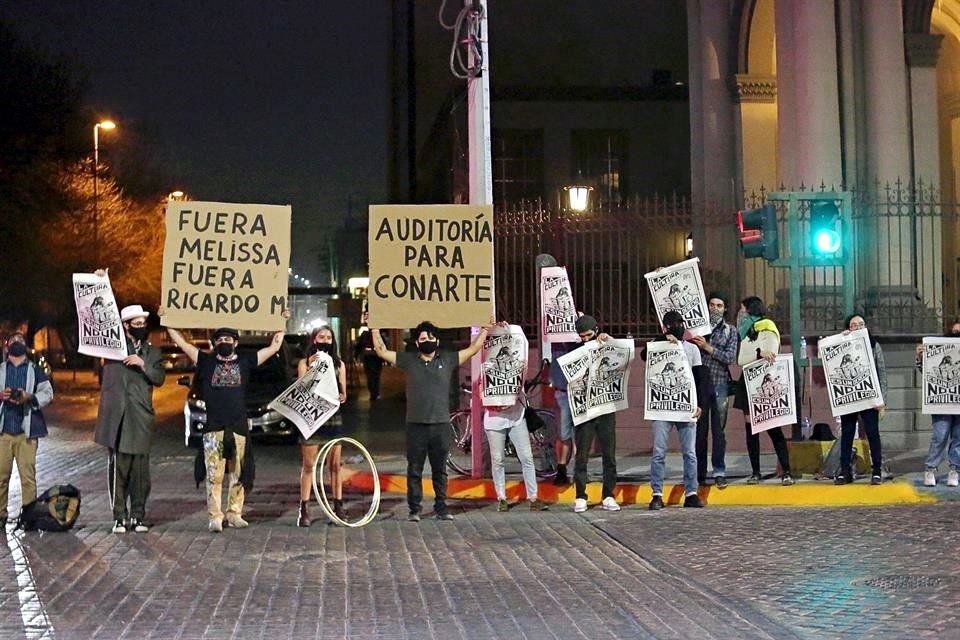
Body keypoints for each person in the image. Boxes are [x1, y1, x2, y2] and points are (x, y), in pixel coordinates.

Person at [167, 317, 287, 533]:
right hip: (214, 428)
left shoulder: (246, 361)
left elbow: (274, 346)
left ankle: (234, 513)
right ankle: (215, 516)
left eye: (228, 338)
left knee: (239, 473)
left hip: (239, 426)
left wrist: (281, 321)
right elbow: (183, 344)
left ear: (236, 343)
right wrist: (168, 321)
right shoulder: (206, 362)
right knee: (215, 475)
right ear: (214, 343)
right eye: (220, 338)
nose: (225, 341)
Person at [372, 320, 490, 521]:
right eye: (423, 338)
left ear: (437, 340)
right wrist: (374, 328)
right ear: (417, 343)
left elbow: (474, 348)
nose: (427, 341)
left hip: (440, 425)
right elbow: (382, 351)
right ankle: (415, 509)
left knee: (440, 470)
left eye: (431, 338)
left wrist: (486, 327)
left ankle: (441, 508)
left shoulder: (448, 359)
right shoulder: (409, 361)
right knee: (415, 469)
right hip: (415, 425)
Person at [94, 304, 165, 534]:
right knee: (119, 469)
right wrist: (101, 285)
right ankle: (119, 517)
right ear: (125, 327)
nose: (141, 327)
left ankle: (138, 515)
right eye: (136, 324)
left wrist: (142, 364)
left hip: (141, 416)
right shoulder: (112, 348)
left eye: (143, 324)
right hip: (118, 418)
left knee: (140, 472)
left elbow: (159, 378)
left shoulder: (153, 352)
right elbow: (97, 322)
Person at [642, 311, 707, 509]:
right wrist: (662, 340)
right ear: (665, 327)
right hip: (662, 408)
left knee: (689, 452)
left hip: (685, 406)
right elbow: (644, 355)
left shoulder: (692, 349)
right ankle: (657, 493)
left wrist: (700, 404)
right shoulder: (657, 344)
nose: (677, 328)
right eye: (673, 325)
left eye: (680, 324)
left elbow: (699, 378)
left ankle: (691, 493)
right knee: (659, 451)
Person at [484, 323, 549, 512]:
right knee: (498, 459)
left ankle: (533, 496)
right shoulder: (487, 367)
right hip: (495, 419)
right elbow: (482, 392)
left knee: (527, 457)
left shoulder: (518, 364)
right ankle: (502, 498)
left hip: (516, 415)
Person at [734, 296, 794, 485]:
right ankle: (756, 472)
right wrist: (758, 353)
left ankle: (786, 471)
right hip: (747, 381)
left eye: (742, 309)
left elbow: (771, 354)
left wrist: (758, 354)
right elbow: (741, 359)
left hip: (765, 381)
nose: (739, 313)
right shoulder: (742, 332)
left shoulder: (767, 327)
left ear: (750, 309)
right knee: (751, 429)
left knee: (774, 427)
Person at [0, 332, 54, 526]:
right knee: (1, 476)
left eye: (21, 341)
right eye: (13, 341)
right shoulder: (1, 369)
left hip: (27, 432)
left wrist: (29, 397)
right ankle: (1, 515)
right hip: (4, 430)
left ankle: (29, 516)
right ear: (7, 347)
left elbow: (48, 393)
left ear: (26, 346)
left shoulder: (35, 370)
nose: (17, 343)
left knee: (27, 477)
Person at [569, 315, 621, 513]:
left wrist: (609, 341)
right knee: (582, 454)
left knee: (609, 454)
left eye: (589, 335)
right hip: (584, 409)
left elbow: (624, 354)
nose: (586, 339)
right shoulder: (575, 348)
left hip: (605, 407)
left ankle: (608, 494)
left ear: (597, 330)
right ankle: (580, 495)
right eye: (582, 336)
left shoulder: (607, 342)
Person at [296, 325, 347, 526]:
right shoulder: (304, 363)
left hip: (333, 417)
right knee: (309, 465)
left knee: (335, 465)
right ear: (314, 339)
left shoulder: (339, 364)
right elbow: (301, 390)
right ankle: (304, 508)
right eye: (321, 336)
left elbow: (343, 394)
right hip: (312, 417)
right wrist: (311, 368)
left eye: (328, 337)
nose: (325, 340)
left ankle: (338, 506)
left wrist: (342, 396)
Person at [691, 291, 737, 488]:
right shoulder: (696, 328)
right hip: (699, 384)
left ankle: (719, 470)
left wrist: (708, 347)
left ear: (725, 309)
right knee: (699, 431)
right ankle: (699, 473)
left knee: (719, 431)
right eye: (712, 305)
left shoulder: (730, 331)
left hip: (719, 384)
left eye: (719, 305)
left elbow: (729, 357)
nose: (715, 309)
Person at [834, 314, 886, 485]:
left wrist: (882, 399)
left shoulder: (873, 345)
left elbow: (882, 373)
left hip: (869, 398)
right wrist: (839, 341)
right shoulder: (841, 344)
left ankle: (877, 469)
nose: (857, 327)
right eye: (853, 325)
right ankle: (845, 470)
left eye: (860, 324)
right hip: (849, 399)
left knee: (872, 433)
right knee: (847, 434)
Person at [917, 319, 960, 486]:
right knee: (940, 435)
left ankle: (954, 470)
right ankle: (930, 469)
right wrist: (921, 356)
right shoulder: (939, 353)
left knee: (958, 437)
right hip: (941, 401)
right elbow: (926, 373)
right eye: (955, 332)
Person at [548, 339, 577, 485]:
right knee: (564, 434)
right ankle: (562, 468)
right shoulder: (556, 339)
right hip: (562, 391)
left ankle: (577, 470)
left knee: (580, 433)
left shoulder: (581, 339)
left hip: (579, 391)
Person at [353, 312, 385, 401]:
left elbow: (358, 346)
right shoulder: (373, 335)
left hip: (371, 357)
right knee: (375, 375)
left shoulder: (366, 335)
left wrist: (356, 355)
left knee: (371, 375)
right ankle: (375, 393)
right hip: (374, 357)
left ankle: (374, 393)